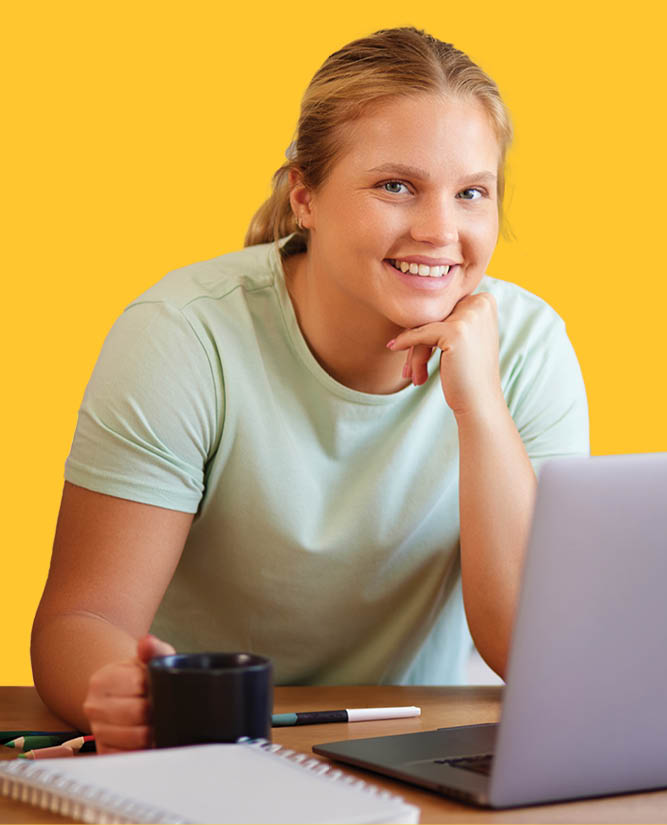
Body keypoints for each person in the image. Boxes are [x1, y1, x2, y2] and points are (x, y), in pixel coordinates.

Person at [31, 27, 589, 754]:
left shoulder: (528, 346)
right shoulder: (183, 336)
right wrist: (124, 692)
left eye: (471, 193)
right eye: (397, 186)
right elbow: (82, 619)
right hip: (211, 747)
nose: (439, 230)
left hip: (425, 745)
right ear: (305, 196)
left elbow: (533, 651)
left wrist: (480, 405)